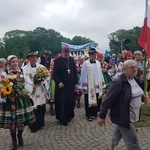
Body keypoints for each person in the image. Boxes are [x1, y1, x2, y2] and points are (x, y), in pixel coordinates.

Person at [98, 59, 149, 150]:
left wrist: (143, 98)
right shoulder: (118, 82)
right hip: (124, 116)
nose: (134, 69)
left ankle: (111, 147)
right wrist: (102, 116)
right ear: (124, 70)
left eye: (135, 67)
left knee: (119, 130)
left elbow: (133, 95)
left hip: (132, 115)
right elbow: (107, 100)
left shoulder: (136, 80)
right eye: (131, 67)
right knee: (133, 143)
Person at [0, 55, 35, 150]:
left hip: (21, 100)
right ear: (9, 63)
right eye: (13, 62)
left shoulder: (23, 72)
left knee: (21, 121)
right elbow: (1, 87)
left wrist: (25, 90)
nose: (15, 63)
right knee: (12, 122)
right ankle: (14, 140)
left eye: (16, 61)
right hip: (10, 101)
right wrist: (7, 94)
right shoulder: (5, 74)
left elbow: (29, 84)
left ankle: (20, 136)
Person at [22, 51, 50, 132]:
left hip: (40, 89)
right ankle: (33, 125)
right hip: (31, 91)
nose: (34, 58)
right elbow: (23, 80)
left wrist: (42, 81)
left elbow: (47, 77)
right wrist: (30, 85)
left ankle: (41, 123)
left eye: (35, 57)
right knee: (33, 107)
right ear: (29, 58)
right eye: (32, 57)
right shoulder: (24, 69)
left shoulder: (42, 67)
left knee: (41, 107)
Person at [52, 45, 78, 126]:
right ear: (62, 53)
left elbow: (74, 71)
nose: (66, 56)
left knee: (71, 102)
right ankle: (62, 119)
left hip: (70, 85)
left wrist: (76, 83)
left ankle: (69, 116)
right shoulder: (57, 61)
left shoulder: (71, 59)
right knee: (62, 102)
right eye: (65, 55)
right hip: (62, 86)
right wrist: (59, 82)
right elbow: (54, 74)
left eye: (68, 55)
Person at [80, 48, 104, 121]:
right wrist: (84, 85)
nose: (94, 56)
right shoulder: (86, 63)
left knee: (97, 99)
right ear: (90, 55)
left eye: (95, 54)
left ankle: (95, 113)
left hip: (97, 84)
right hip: (89, 85)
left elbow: (100, 73)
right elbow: (83, 74)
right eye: (93, 54)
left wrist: (101, 82)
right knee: (89, 99)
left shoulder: (98, 63)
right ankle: (89, 114)